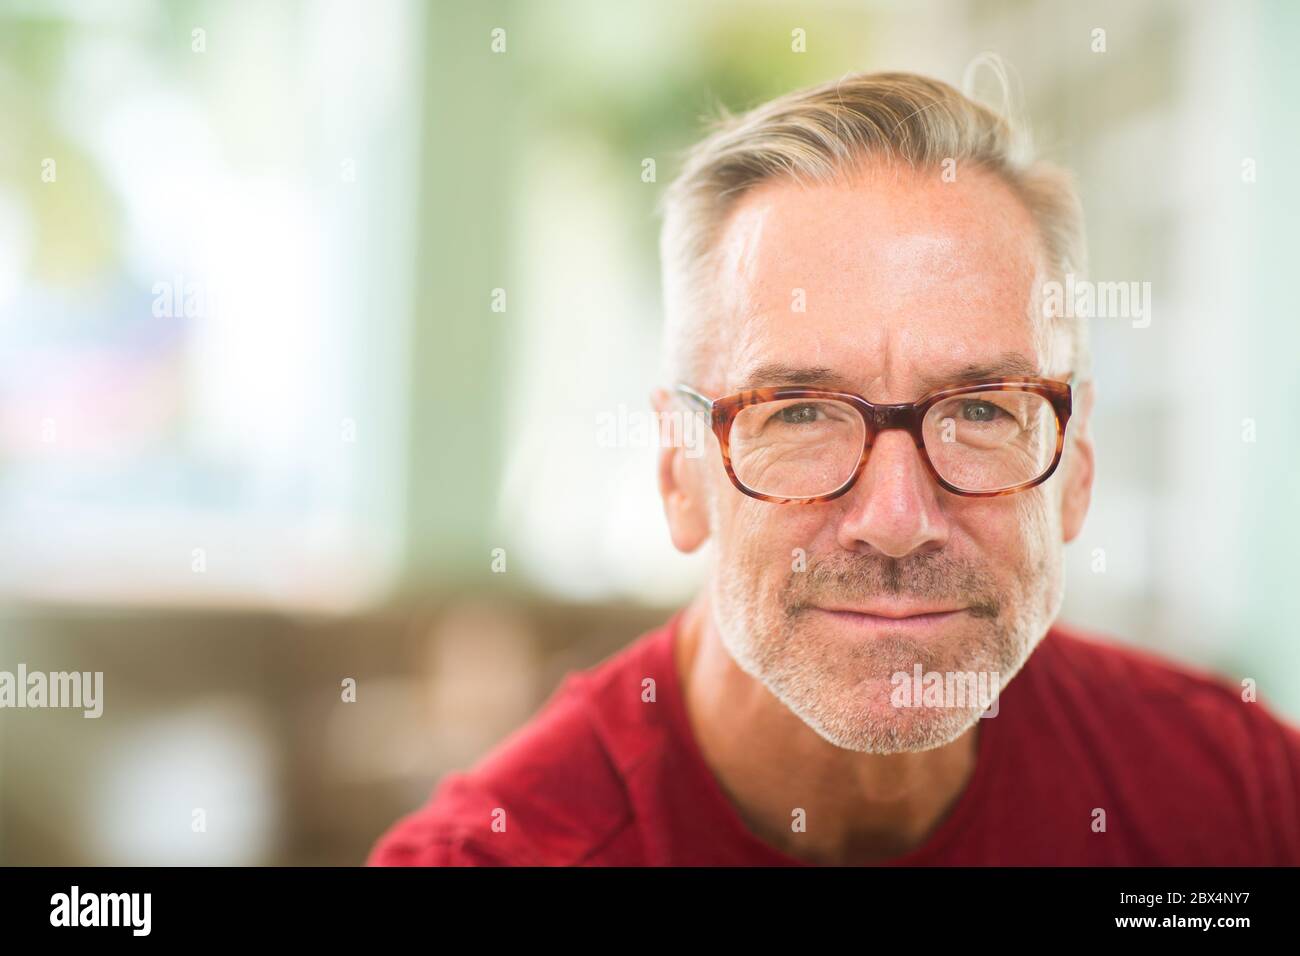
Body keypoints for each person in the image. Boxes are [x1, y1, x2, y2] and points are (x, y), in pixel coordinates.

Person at [368, 70, 1300, 866]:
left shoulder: (1238, 805)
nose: (895, 519)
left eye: (980, 409)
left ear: (1078, 463)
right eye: (800, 412)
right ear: (676, 472)